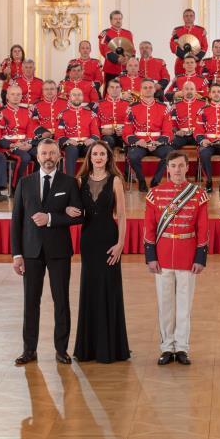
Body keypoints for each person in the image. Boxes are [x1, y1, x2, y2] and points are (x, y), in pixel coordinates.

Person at [11, 140, 84, 365]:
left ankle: (61, 350)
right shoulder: (25, 183)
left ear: (59, 156)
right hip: (31, 252)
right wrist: (17, 254)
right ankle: (29, 350)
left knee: (61, 301)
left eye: (52, 153)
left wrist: (52, 218)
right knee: (30, 302)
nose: (48, 156)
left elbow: (80, 215)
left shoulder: (70, 183)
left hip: (59, 251)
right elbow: (17, 221)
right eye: (44, 153)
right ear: (37, 156)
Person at [145, 152, 209, 365]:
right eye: (173, 166)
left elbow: (203, 228)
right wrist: (150, 256)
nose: (178, 170)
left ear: (187, 167)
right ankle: (166, 347)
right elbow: (150, 228)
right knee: (165, 304)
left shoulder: (198, 194)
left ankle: (182, 348)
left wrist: (200, 257)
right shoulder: (155, 194)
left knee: (184, 304)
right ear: (168, 168)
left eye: (181, 165)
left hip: (187, 255)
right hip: (162, 256)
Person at [74, 141, 130, 364]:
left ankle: (111, 347)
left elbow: (123, 216)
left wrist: (120, 244)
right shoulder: (80, 181)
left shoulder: (115, 180)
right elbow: (75, 209)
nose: (98, 157)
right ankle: (88, 348)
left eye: (102, 154)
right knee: (89, 289)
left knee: (109, 289)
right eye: (94, 154)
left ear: (108, 157)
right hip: (88, 241)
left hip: (109, 240)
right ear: (89, 157)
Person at [125, 79, 173, 192]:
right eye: (145, 87)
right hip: (139, 143)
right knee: (132, 156)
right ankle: (141, 180)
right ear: (140, 90)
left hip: (157, 142)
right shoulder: (132, 108)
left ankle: (156, 181)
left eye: (150, 87)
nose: (148, 90)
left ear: (154, 89)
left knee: (170, 153)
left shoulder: (164, 108)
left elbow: (168, 131)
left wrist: (158, 142)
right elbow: (127, 132)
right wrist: (137, 141)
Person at [0, 84, 41, 190]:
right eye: (13, 94)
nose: (16, 97)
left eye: (18, 94)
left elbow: (31, 131)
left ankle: (34, 185)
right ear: (7, 96)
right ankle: (17, 187)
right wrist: (13, 144)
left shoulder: (26, 112)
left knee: (40, 154)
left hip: (25, 144)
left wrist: (29, 143)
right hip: (8, 146)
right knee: (24, 157)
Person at [58, 88, 100, 176]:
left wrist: (91, 140)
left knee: (93, 150)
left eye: (79, 95)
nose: (77, 97)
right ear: (69, 97)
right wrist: (68, 141)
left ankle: (93, 180)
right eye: (74, 95)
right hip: (71, 145)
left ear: (83, 97)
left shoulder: (90, 114)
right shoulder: (63, 114)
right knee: (71, 150)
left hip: (86, 144)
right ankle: (70, 181)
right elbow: (59, 135)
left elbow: (96, 134)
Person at [96, 78, 131, 154]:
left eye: (117, 87)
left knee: (130, 144)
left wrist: (125, 130)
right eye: (112, 87)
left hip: (123, 134)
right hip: (106, 135)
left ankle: (127, 165)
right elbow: (94, 124)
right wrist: (101, 131)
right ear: (108, 89)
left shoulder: (128, 104)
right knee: (108, 142)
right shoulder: (99, 104)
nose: (114, 89)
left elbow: (133, 123)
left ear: (121, 89)